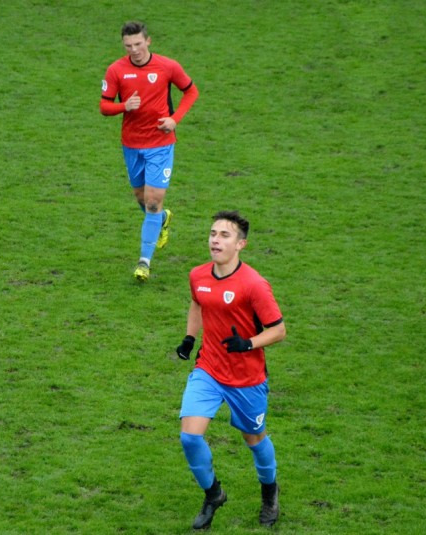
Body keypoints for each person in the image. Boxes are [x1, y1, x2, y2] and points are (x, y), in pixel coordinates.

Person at [175, 211, 286, 529]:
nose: (215, 240)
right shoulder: (198, 275)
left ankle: (270, 492)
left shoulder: (254, 284)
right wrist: (189, 338)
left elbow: (278, 330)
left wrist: (248, 344)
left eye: (224, 235)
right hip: (209, 369)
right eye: (213, 233)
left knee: (255, 439)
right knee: (189, 437)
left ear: (240, 244)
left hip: (246, 378)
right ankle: (213, 494)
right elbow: (198, 303)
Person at [100, 21, 199, 282]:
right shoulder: (116, 70)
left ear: (148, 41)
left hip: (160, 143)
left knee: (153, 201)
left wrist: (175, 119)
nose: (134, 50)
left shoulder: (168, 66)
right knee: (141, 199)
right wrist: (124, 106)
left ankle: (144, 262)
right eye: (128, 46)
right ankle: (162, 218)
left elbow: (191, 91)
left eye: (138, 44)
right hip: (132, 144)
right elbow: (104, 106)